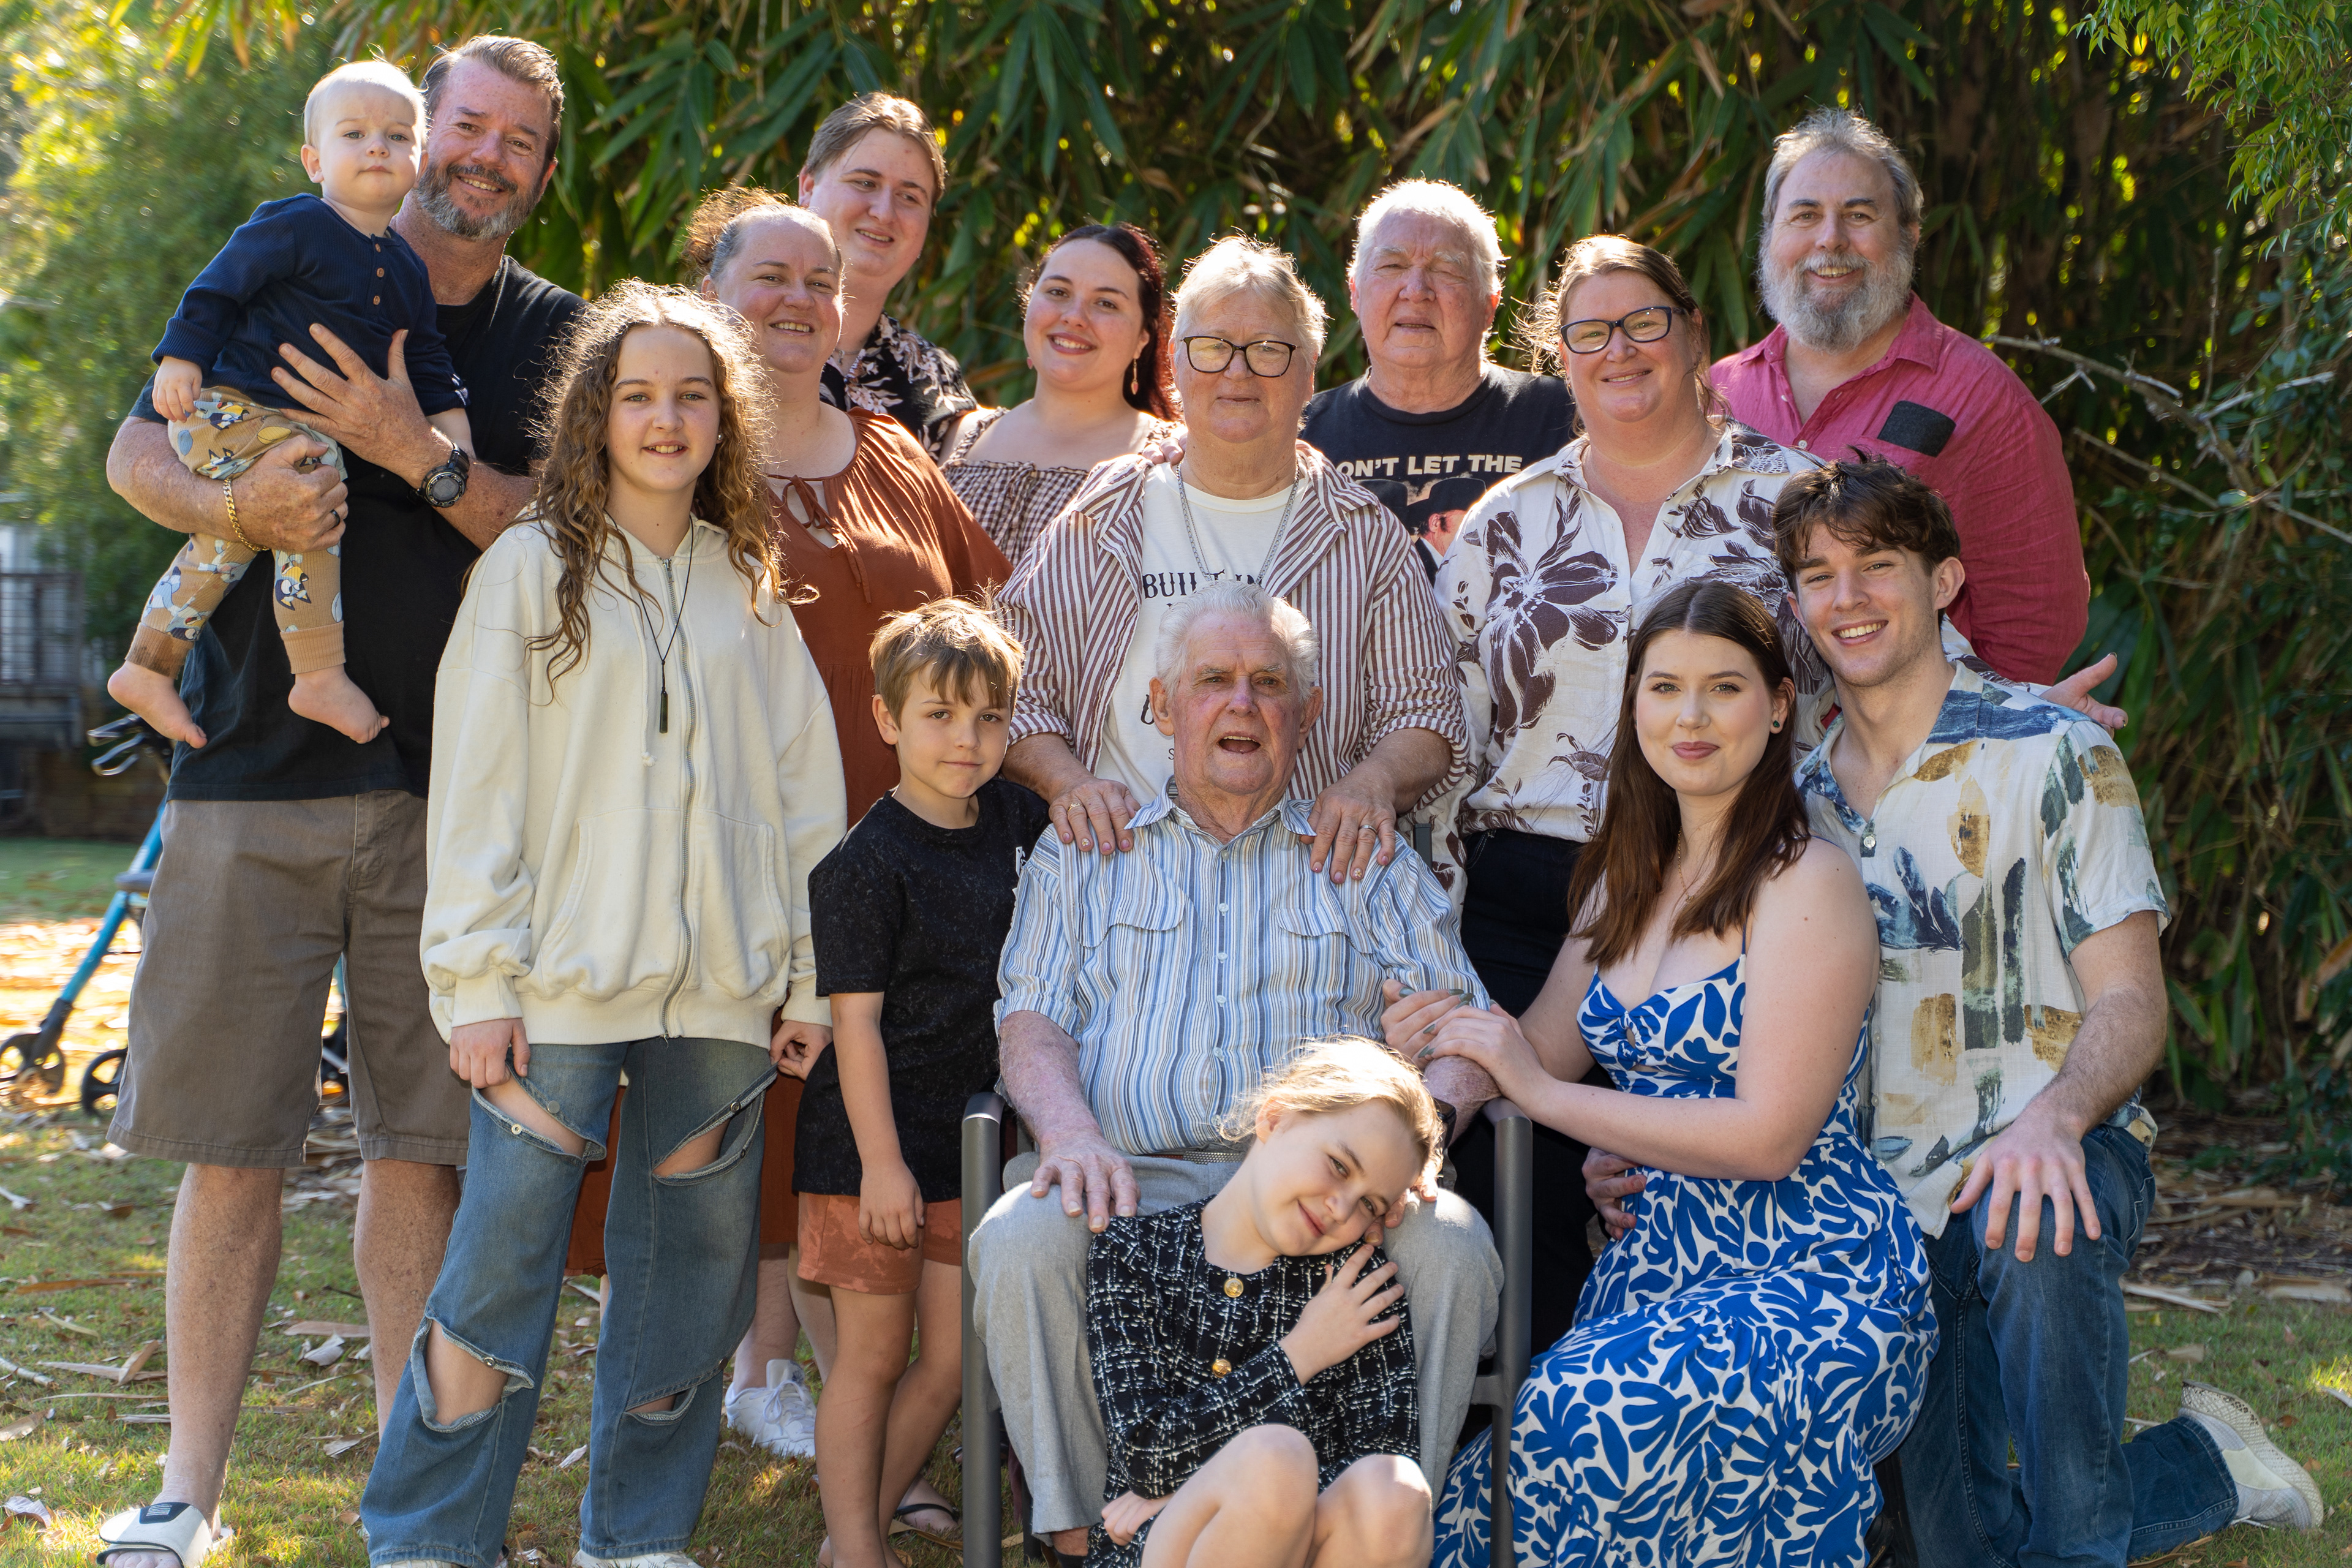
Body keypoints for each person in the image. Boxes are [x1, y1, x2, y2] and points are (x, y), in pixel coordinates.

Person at [93, 36, 579, 1568]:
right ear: (411, 131)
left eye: (518, 139)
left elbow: (562, 535)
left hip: (456, 790)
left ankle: (411, 1505)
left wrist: (406, 451)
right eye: (464, 121)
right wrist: (233, 501)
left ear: (541, 171)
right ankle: (186, 1488)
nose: (482, 153)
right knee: (230, 1143)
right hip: (251, 765)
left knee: (418, 1151)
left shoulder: (554, 338)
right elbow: (137, 449)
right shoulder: (290, 250)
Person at [355, 281, 845, 1568]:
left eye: (692, 395)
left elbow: (805, 794)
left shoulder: (749, 580)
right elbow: (476, 790)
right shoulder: (529, 568)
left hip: (722, 996)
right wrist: (475, 984)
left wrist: (806, 979)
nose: (665, 418)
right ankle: (426, 1538)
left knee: (690, 1282)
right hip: (552, 988)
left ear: (725, 419)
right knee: (500, 1264)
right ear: (597, 414)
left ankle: (634, 1539)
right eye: (638, 395)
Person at [1766, 459, 2320, 1563]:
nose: (1849, 598)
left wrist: (2054, 1120)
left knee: (2032, 1214)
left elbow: (2133, 1002)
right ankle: (2208, 1465)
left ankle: (2081, 1543)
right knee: (1944, 1547)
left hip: (2053, 1155)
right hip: (1882, 1207)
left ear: (1945, 583)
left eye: (1878, 566)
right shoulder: (1793, 803)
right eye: (1819, 575)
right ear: (1797, 604)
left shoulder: (2057, 751)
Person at [1395, 577, 1935, 1566]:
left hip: (1809, 1272)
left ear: (1779, 705)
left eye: (1724, 688)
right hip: (1657, 1267)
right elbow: (1535, 1047)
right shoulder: (1622, 881)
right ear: (1634, 703)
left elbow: (1769, 1139)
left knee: (1580, 1412)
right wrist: (1425, 1083)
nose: (1691, 718)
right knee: (1476, 1511)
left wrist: (1550, 1097)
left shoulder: (1805, 881)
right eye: (1665, 687)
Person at [968, 580, 1503, 1567]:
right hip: (1132, 1173)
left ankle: (1375, 1535)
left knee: (1452, 1244)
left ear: (1305, 714)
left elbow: (1472, 1035)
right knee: (1022, 1235)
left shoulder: (1366, 858)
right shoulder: (1085, 852)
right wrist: (1070, 1133)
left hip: (1328, 1183)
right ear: (1163, 707)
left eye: (1269, 683)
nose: (1242, 703)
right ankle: (1088, 1539)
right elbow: (1030, 1022)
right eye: (1213, 680)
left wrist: (1419, 1138)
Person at [1431, 232, 1833, 1359]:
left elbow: (1875, 651)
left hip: (1723, 887)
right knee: (1516, 1185)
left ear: (1695, 336)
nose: (1621, 349)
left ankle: (1694, 1414)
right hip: (1527, 895)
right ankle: (1531, 1439)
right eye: (1591, 331)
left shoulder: (1792, 498)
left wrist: (2007, 706)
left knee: (1684, 1185)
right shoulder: (1507, 520)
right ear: (1558, 356)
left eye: (1644, 322)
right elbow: (1446, 729)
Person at [1000, 233, 1466, 891]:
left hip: (1307, 894)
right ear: (1175, 363)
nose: (1238, 373)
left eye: (1269, 350)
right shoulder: (1103, 515)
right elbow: (1014, 690)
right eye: (1213, 347)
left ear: (1310, 372)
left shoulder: (1364, 537)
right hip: (1120, 885)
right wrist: (1069, 784)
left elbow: (1428, 716)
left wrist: (1373, 783)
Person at [109, 59, 472, 750]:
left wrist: (458, 447)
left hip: (264, 438)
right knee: (315, 474)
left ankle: (147, 667)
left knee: (228, 540)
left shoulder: (407, 269)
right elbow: (220, 285)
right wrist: (180, 356)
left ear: (420, 162)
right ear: (314, 161)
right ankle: (319, 673)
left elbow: (428, 364)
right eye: (354, 134)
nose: (377, 147)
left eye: (398, 137)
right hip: (221, 411)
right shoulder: (297, 223)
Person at [797, 598, 1049, 1568]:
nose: (967, 739)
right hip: (869, 1147)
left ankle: (846, 1534)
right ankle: (860, 1550)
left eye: (989, 717)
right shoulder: (865, 864)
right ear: (887, 719)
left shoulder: (1017, 819)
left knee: (948, 1362)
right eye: (940, 715)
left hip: (970, 1146)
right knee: (871, 1358)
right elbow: (854, 1026)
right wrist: (882, 1165)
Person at [1711, 107, 2087, 684]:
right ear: (1771, 236)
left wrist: (1948, 732)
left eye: (1859, 215)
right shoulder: (1716, 395)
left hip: (1913, 737)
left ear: (1910, 234)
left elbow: (2036, 619)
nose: (1830, 239)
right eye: (1805, 215)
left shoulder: (1984, 400)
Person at [1085, 1041, 1441, 1568]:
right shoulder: (1136, 1252)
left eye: (1369, 1203)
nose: (1341, 1207)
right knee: (1275, 1461)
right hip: (1154, 1550)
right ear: (1275, 1118)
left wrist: (1188, 1485)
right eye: (1340, 1166)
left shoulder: (1358, 1288)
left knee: (1397, 1489)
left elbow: (1381, 1459)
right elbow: (1145, 1454)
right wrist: (1301, 1354)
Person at [1298, 179, 1573, 573]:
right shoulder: (1300, 434)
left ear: (1489, 304)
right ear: (1355, 292)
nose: (1416, 290)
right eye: (1392, 266)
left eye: (1446, 270)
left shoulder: (1563, 419)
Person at [940, 223, 1182, 567]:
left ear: (1144, 336)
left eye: (1106, 303)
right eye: (1058, 292)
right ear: (1028, 303)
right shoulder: (956, 437)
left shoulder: (1171, 458)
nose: (1074, 317)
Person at [799, 93, 976, 458]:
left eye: (910, 197)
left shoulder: (933, 378)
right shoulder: (725, 338)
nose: (884, 212)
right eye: (865, 183)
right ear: (808, 187)